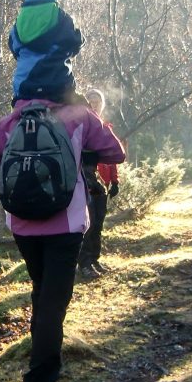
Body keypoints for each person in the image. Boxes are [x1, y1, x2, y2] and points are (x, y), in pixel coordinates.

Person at [0, 100, 125, 382]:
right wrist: (80, 154)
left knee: (41, 291)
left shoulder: (13, 118)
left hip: (21, 223)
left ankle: (40, 363)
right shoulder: (78, 115)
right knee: (53, 303)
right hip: (66, 222)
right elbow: (116, 153)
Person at [9, 0, 84, 106]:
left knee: (6, 124)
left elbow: (14, 48)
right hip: (58, 88)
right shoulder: (61, 16)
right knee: (93, 121)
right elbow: (76, 43)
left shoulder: (19, 22)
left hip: (24, 91)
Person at [78, 89, 120, 279]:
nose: (94, 104)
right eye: (90, 101)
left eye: (97, 101)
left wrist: (114, 180)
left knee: (99, 221)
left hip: (98, 180)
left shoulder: (104, 127)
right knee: (90, 221)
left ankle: (94, 259)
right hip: (83, 180)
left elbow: (112, 157)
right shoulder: (79, 126)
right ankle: (84, 264)